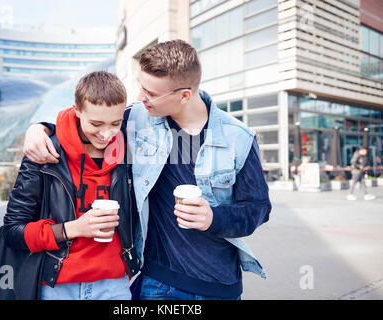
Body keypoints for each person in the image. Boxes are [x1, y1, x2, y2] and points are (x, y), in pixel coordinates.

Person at [23, 40, 271, 300]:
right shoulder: (137, 119)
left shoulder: (238, 137)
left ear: (184, 95)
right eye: (141, 88)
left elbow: (258, 209)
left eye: (151, 93)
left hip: (218, 285)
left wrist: (214, 218)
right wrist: (39, 129)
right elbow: (86, 121)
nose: (142, 98)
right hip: (156, 282)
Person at [4, 71, 139, 300]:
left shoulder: (131, 148)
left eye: (115, 123)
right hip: (57, 287)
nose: (106, 134)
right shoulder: (44, 152)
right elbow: (13, 232)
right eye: (96, 123)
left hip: (114, 285)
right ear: (76, 110)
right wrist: (74, 228)